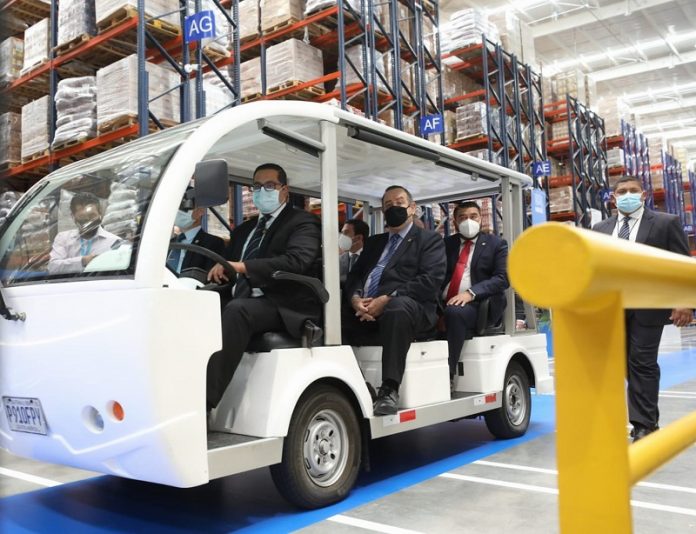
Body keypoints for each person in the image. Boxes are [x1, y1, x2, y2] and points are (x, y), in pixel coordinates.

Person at [205, 163, 321, 412]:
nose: (261, 192)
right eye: (256, 187)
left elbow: (296, 261)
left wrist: (242, 266)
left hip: (283, 302)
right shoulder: (244, 230)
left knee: (238, 311)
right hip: (242, 296)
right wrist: (222, 267)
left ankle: (204, 403)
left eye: (270, 186)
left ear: (284, 190)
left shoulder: (303, 222)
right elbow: (231, 265)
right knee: (194, 305)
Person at [593, 175, 692, 442]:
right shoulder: (601, 229)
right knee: (625, 364)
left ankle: (644, 425)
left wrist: (684, 301)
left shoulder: (665, 223)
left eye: (633, 190)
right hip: (612, 308)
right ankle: (643, 418)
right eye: (622, 191)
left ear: (643, 195)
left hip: (648, 306)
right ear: (613, 198)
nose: (628, 195)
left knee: (642, 362)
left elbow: (682, 265)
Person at [343, 185, 446, 415]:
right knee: (330, 312)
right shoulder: (374, 243)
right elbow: (355, 275)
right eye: (388, 205)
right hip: (367, 306)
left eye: (399, 203)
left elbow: (430, 280)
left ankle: (389, 389)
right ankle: (357, 384)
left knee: (397, 308)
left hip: (411, 308)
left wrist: (387, 299)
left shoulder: (429, 240)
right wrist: (355, 298)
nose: (393, 208)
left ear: (412, 208)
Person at [442, 201, 509, 381]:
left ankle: (447, 374)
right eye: (462, 218)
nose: (468, 221)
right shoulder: (445, 244)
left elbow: (502, 278)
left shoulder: (496, 244)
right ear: (455, 222)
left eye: (473, 217)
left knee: (454, 313)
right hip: (442, 301)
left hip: (478, 304)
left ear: (481, 219)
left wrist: (470, 293)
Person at [48, 192, 120, 275]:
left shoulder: (114, 242)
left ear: (100, 213)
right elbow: (53, 267)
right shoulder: (63, 238)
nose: (88, 220)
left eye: (92, 215)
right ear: (73, 217)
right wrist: (83, 261)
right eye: (82, 216)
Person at [167, 207, 225, 275]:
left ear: (200, 211)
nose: (179, 212)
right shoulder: (170, 242)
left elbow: (210, 276)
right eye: (178, 208)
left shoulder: (214, 243)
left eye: (185, 207)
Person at [338, 218, 369, 285]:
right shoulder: (338, 260)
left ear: (359, 237)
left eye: (346, 233)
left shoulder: (373, 259)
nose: (342, 236)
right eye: (342, 232)